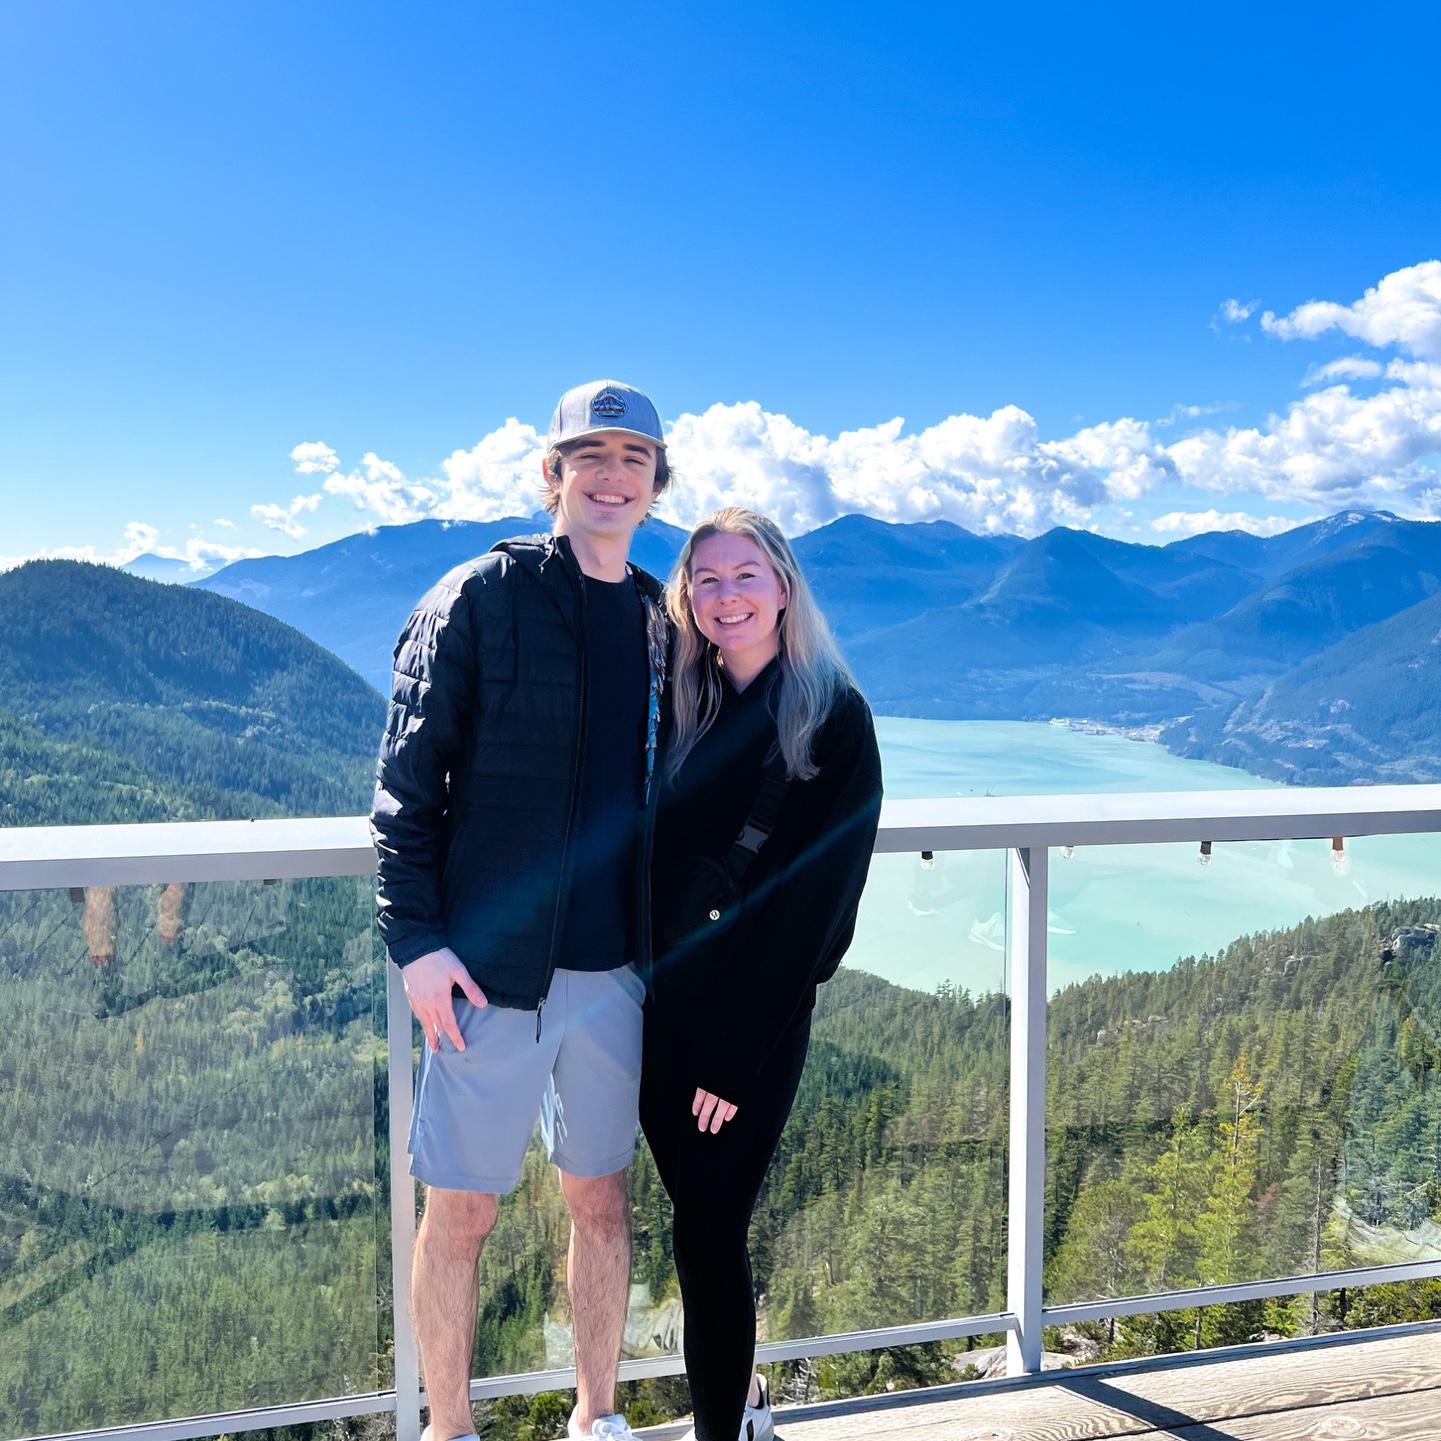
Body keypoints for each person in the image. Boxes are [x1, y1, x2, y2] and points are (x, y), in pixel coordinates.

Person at [371, 380, 673, 1441]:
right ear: (552, 474)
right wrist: (417, 943)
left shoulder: (659, 617)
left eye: (632, 459)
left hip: (616, 972)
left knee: (602, 1200)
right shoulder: (480, 598)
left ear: (654, 484)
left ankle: (596, 1417)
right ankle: (449, 1429)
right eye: (589, 456)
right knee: (461, 1209)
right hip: (488, 972)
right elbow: (404, 790)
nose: (610, 476)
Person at [640, 508, 883, 1441]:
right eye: (706, 578)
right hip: (659, 1009)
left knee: (707, 1229)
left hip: (748, 1030)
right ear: (686, 597)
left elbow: (816, 913)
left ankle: (726, 1431)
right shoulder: (682, 703)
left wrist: (736, 1058)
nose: (726, 595)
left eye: (745, 574)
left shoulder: (832, 717)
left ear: (783, 586)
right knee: (698, 1227)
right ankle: (743, 1408)